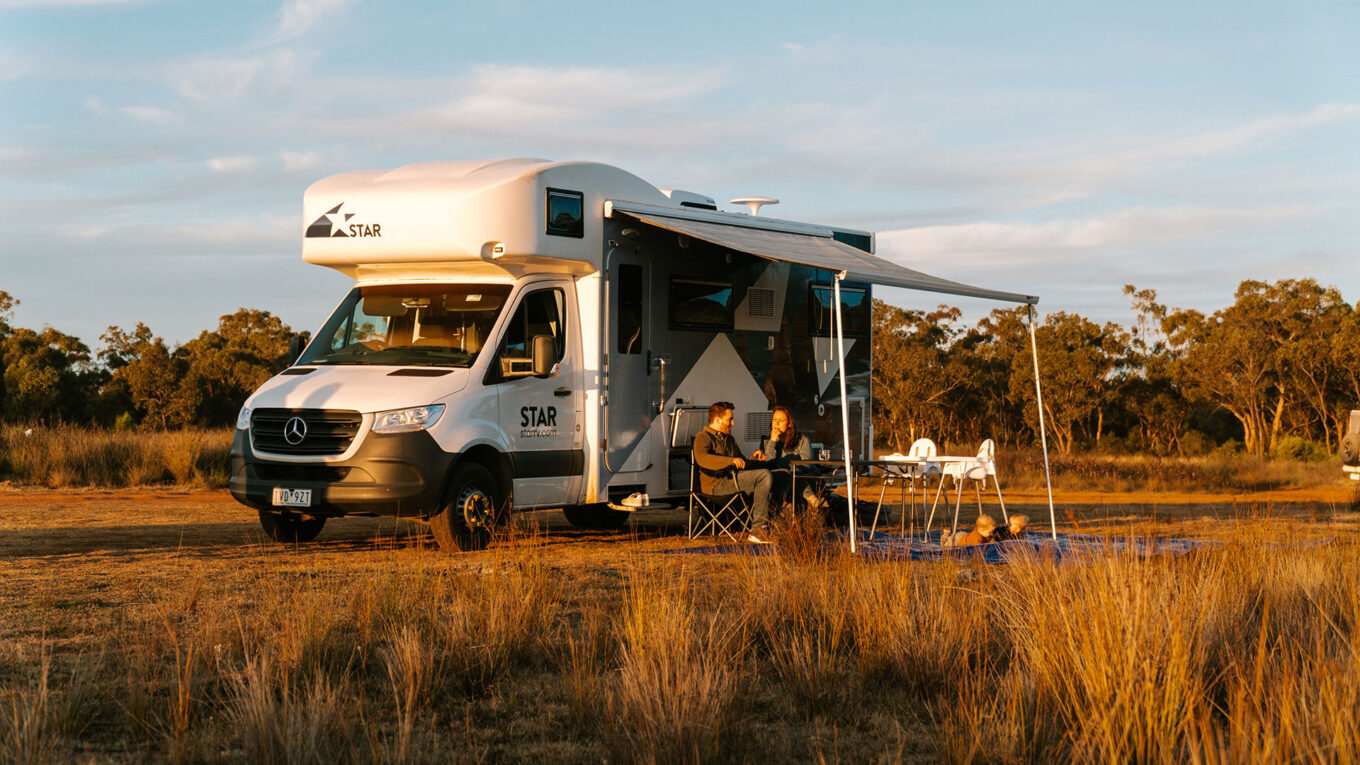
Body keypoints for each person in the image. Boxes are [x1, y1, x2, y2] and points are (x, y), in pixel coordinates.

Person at [693, 401, 773, 544]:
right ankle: (758, 530)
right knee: (764, 476)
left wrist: (754, 458)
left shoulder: (729, 439)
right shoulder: (703, 437)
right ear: (717, 420)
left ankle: (772, 523)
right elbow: (702, 459)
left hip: (732, 481)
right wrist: (729, 461)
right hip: (715, 486)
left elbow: (740, 462)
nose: (733, 423)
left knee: (774, 473)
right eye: (730, 419)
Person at [753, 406, 818, 511]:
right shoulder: (766, 441)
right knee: (785, 475)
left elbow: (807, 463)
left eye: (781, 420)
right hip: (779, 480)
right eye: (774, 420)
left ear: (789, 424)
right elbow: (767, 464)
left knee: (793, 475)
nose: (776, 423)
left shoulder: (802, 439)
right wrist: (773, 441)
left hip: (803, 477)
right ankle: (810, 497)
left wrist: (781, 465)